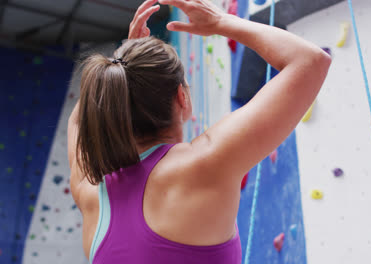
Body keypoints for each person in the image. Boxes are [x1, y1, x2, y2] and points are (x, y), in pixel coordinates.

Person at [67, 0, 331, 263]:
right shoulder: (203, 164)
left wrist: (122, 67)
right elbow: (310, 60)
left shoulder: (90, 192)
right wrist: (221, 22)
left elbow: (77, 122)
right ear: (182, 97)